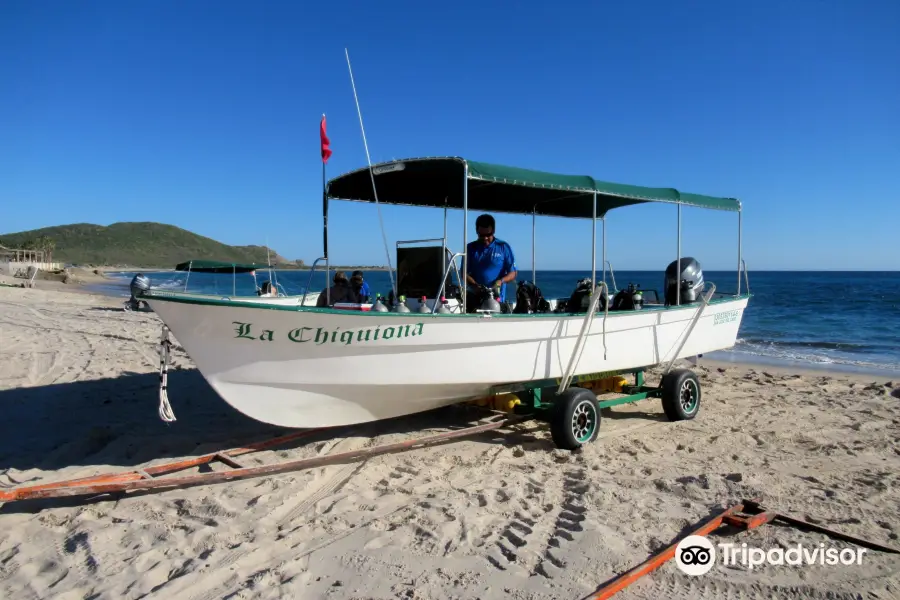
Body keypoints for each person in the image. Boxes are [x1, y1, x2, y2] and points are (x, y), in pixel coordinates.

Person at [463, 213, 517, 312]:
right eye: (481, 235)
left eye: (488, 235)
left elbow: (513, 272)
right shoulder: (470, 248)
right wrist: (475, 285)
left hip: (497, 300)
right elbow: (464, 273)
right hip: (475, 300)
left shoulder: (503, 247)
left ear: (494, 231)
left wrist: (500, 282)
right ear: (477, 231)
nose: (485, 238)